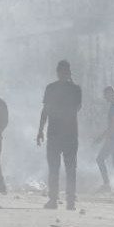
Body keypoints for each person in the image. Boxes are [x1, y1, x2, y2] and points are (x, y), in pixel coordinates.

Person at [37, 60, 83, 210]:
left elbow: (45, 110)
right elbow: (78, 108)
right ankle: (70, 202)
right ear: (69, 73)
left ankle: (53, 200)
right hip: (70, 134)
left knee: (54, 168)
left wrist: (40, 130)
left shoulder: (51, 88)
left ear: (57, 72)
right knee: (70, 169)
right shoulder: (76, 89)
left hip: (55, 133)